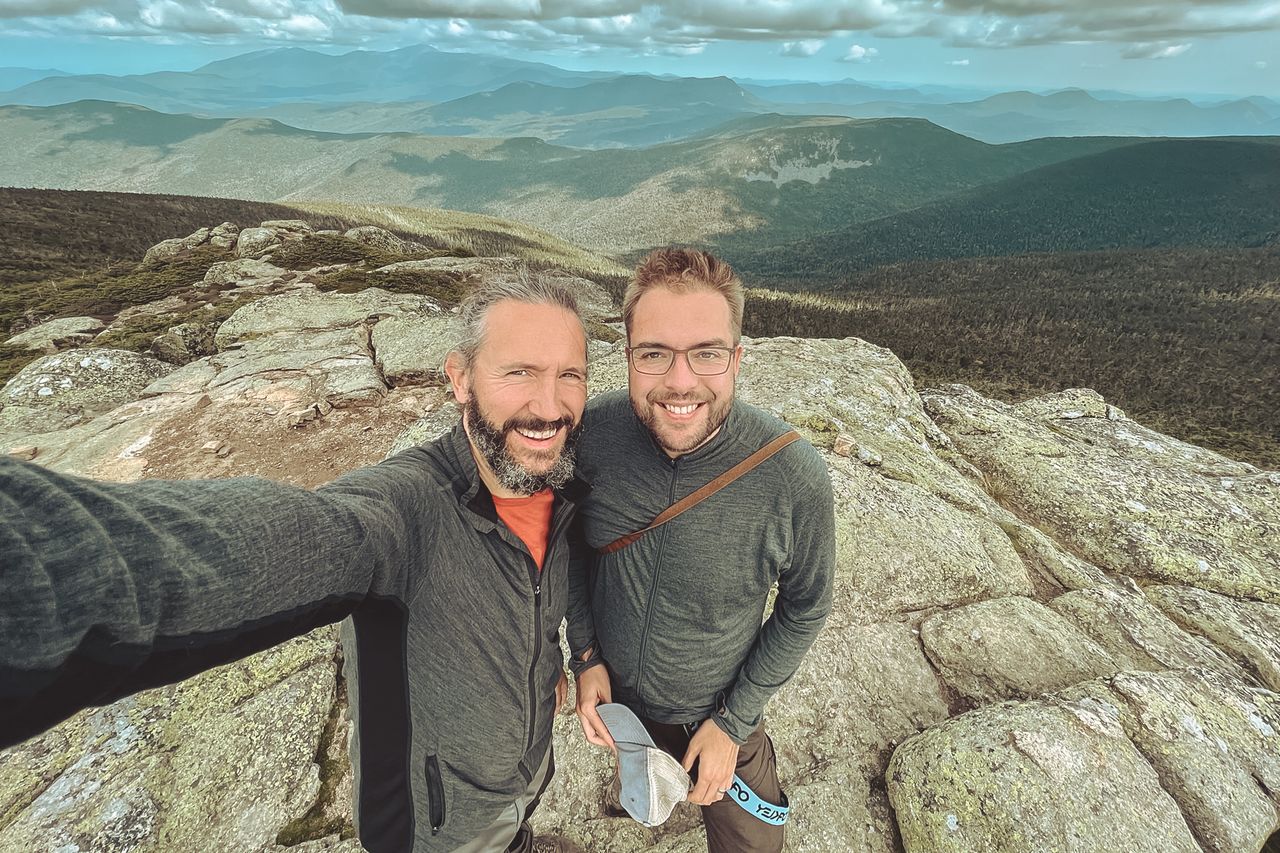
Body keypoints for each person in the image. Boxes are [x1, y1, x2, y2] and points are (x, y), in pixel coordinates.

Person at [0, 272, 590, 853]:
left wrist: (549, 661)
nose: (550, 405)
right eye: (518, 373)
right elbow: (281, 538)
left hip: (522, 785)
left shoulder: (562, 488)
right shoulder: (405, 511)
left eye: (570, 376)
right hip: (433, 829)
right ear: (460, 380)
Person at [568, 248, 835, 852]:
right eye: (655, 353)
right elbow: (572, 550)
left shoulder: (791, 475)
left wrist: (733, 724)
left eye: (707, 354)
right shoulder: (593, 436)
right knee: (648, 793)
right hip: (623, 708)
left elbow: (806, 607)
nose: (680, 382)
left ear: (737, 359)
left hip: (717, 717)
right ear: (629, 357)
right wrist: (584, 654)